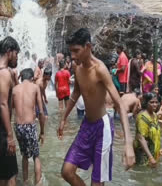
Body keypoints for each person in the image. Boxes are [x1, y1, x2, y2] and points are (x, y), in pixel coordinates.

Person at [58, 28, 135, 186]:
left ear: (88, 46)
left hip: (103, 128)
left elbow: (119, 104)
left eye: (76, 51)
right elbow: (76, 93)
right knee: (67, 171)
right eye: (70, 51)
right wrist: (63, 118)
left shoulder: (100, 69)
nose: (72, 56)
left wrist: (128, 145)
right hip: (87, 126)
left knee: (97, 182)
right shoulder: (77, 67)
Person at [0, 36, 20, 186]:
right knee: (12, 175)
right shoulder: (4, 74)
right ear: (9, 52)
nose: (17, 57)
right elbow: (3, 105)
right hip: (1, 132)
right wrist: (10, 136)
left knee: (1, 174)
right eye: (16, 53)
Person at [12, 68, 45, 185]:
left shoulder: (14, 89)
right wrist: (42, 132)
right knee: (36, 155)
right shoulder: (35, 87)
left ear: (21, 77)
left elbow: (11, 109)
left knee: (25, 156)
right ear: (32, 78)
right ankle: (38, 183)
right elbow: (41, 112)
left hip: (18, 127)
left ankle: (25, 182)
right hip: (29, 126)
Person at [134, 92, 160, 167]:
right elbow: (141, 138)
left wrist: (157, 149)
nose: (155, 104)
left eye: (156, 102)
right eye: (151, 102)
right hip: (144, 155)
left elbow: (155, 135)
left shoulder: (155, 115)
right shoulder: (142, 117)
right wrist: (150, 157)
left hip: (152, 152)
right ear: (146, 103)